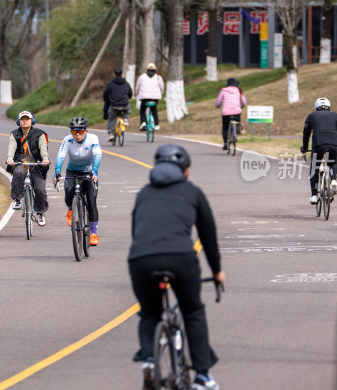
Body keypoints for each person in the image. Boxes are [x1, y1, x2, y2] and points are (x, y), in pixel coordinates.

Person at [128, 144, 224, 390]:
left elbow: (136, 230)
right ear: (186, 171)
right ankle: (202, 377)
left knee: (150, 312)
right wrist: (216, 271)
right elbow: (208, 234)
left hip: (141, 258)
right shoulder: (192, 192)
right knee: (192, 311)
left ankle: (150, 360)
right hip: (180, 257)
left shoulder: (144, 193)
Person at [53, 117, 102, 246]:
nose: (77, 135)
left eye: (80, 131)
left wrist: (95, 171)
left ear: (86, 131)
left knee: (91, 202)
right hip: (72, 171)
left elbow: (97, 154)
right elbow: (61, 155)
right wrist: (57, 172)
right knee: (68, 192)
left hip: (89, 171)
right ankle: (70, 209)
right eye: (74, 132)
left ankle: (94, 233)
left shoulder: (93, 139)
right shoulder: (68, 140)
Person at [6, 111, 50, 226]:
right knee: (19, 173)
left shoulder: (40, 134)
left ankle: (40, 213)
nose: (24, 121)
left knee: (40, 189)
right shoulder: (14, 134)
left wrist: (45, 159)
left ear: (32, 120)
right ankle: (16, 200)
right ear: (18, 121)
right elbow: (12, 147)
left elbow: (43, 148)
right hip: (20, 163)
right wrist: (10, 159)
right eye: (22, 119)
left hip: (37, 165)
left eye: (27, 119)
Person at [300, 97, 337, 205]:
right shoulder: (336, 116)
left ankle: (314, 195)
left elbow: (306, 134)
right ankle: (333, 180)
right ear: (329, 107)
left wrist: (305, 147)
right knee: (332, 162)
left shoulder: (311, 116)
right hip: (333, 143)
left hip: (318, 143)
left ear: (316, 107)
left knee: (315, 166)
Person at [214, 77, 247, 150]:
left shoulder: (223, 91)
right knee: (237, 119)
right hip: (236, 111)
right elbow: (244, 102)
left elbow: (218, 102)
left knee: (225, 127)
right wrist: (241, 106)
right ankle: (238, 128)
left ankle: (225, 142)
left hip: (226, 112)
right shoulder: (239, 90)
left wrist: (218, 106)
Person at [103, 67, 133, 142]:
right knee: (127, 109)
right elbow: (130, 93)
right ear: (121, 74)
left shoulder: (110, 83)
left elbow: (105, 93)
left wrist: (106, 100)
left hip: (114, 104)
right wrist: (128, 97)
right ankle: (125, 118)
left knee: (112, 118)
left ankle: (111, 134)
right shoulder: (126, 83)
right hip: (124, 104)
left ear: (114, 74)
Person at [135, 62, 164, 131]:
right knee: (154, 110)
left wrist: (136, 93)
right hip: (155, 98)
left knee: (142, 110)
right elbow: (162, 87)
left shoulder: (142, 77)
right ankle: (156, 124)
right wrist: (161, 93)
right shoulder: (158, 77)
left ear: (147, 69)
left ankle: (143, 122)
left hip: (144, 98)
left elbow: (137, 87)